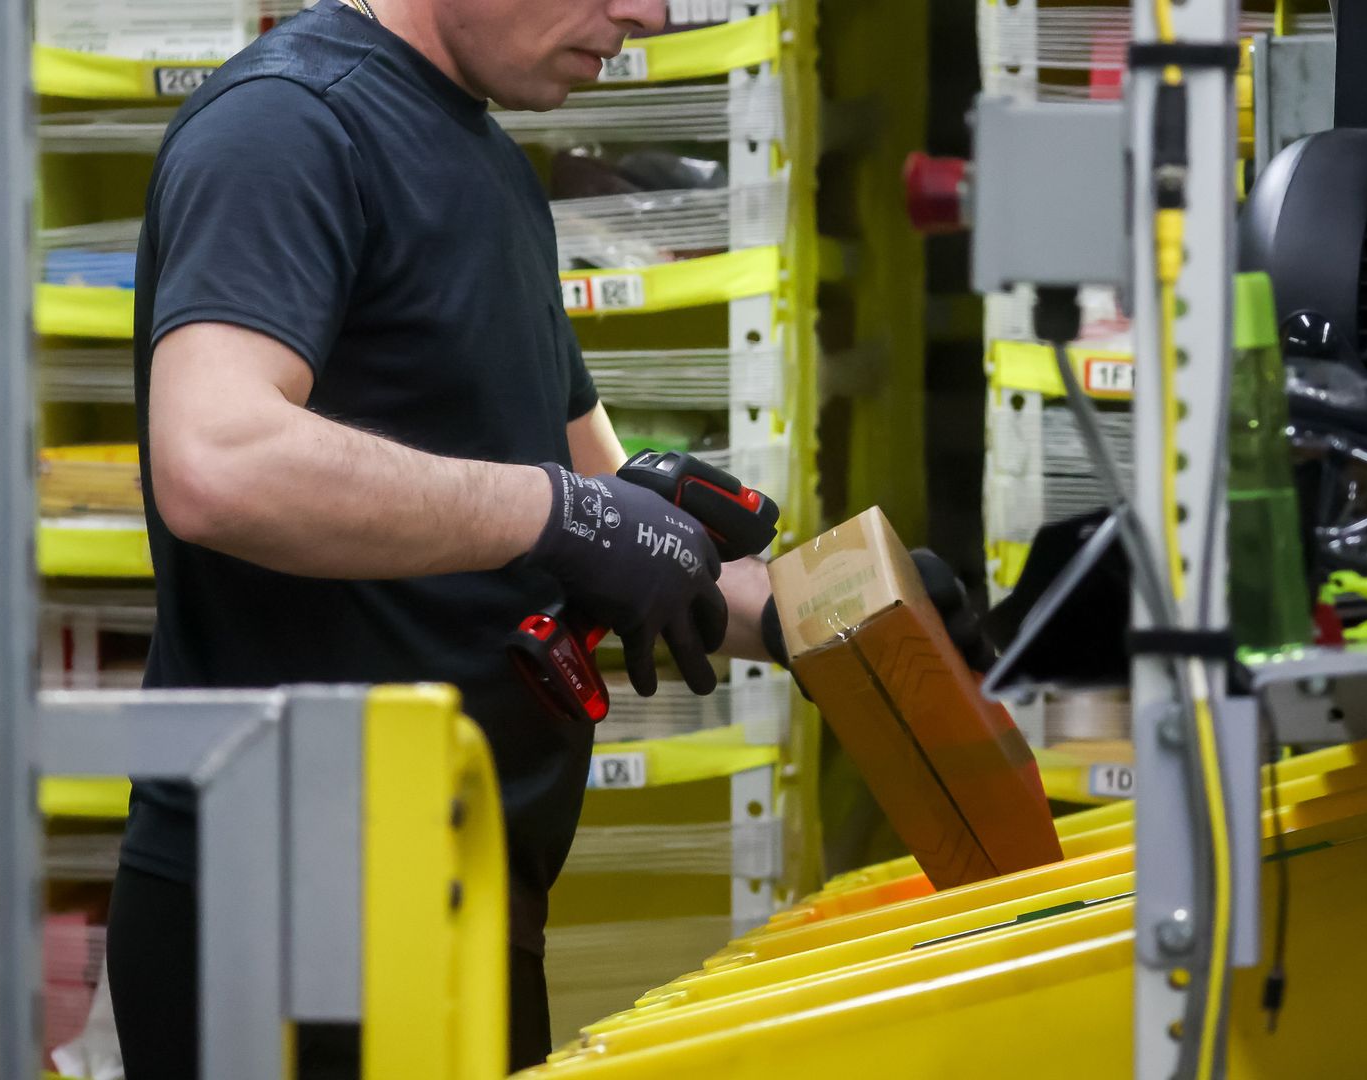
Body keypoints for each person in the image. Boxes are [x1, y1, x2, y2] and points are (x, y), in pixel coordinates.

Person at [106, 0, 988, 1074]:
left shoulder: (486, 165)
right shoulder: (288, 127)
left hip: (463, 902)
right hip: (290, 920)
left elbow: (616, 513)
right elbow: (216, 460)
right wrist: (562, 516)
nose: (646, 13)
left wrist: (835, 610)